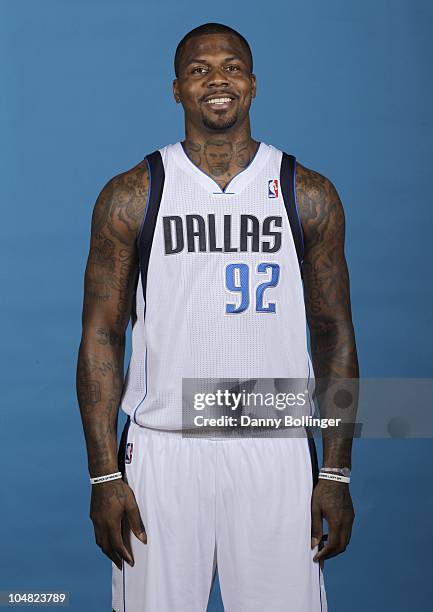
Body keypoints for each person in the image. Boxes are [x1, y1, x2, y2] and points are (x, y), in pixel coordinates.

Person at [76, 22, 358, 612]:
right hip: (164, 449)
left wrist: (336, 472)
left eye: (230, 67)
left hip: (275, 446)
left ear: (253, 84)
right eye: (199, 70)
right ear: (176, 89)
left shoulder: (308, 194)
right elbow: (102, 336)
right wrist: (104, 477)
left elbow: (333, 334)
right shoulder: (133, 194)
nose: (217, 81)